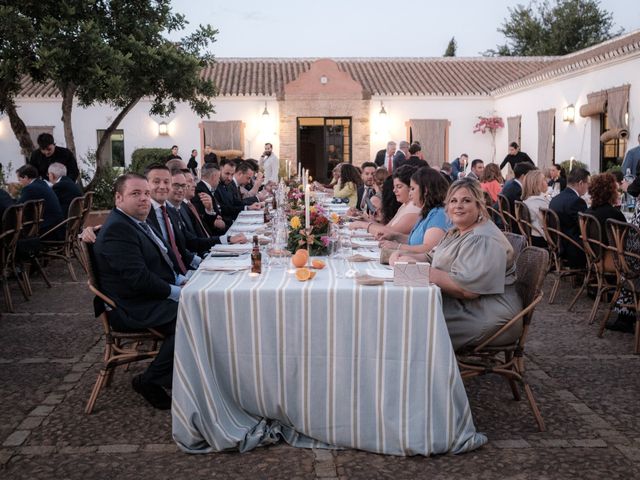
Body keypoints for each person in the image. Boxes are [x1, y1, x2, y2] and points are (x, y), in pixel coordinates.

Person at [400, 178, 522, 351]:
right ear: (447, 207)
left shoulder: (483, 238)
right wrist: (399, 256)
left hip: (487, 315)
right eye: (453, 201)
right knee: (407, 311)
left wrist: (420, 272)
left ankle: (423, 374)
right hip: (461, 305)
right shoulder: (457, 232)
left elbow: (467, 289)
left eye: (466, 200)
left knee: (414, 321)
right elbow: (431, 258)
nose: (458, 206)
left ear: (479, 206)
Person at [93, 173, 181, 409]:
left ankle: (190, 376)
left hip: (144, 298)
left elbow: (161, 262)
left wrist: (182, 280)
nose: (143, 199)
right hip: (130, 307)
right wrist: (177, 292)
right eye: (135, 194)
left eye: (145, 193)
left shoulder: (136, 221)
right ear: (118, 198)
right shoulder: (117, 230)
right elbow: (139, 280)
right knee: (192, 317)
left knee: (201, 308)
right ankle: (150, 381)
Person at [380, 167, 451, 263]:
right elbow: (415, 241)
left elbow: (428, 249)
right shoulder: (427, 213)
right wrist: (395, 236)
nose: (410, 193)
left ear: (425, 191)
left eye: (412, 189)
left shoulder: (439, 215)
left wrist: (398, 246)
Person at [166, 170, 245, 256]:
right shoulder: (179, 208)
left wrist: (209, 211)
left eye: (183, 185)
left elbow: (203, 227)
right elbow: (191, 243)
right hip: (203, 252)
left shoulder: (185, 206)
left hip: (208, 247)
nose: (195, 184)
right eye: (190, 181)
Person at [144, 164, 200, 275]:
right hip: (167, 283)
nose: (162, 186)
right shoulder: (143, 215)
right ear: (146, 185)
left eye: (166, 182)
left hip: (184, 273)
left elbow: (182, 247)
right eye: (156, 182)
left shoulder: (170, 211)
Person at [349, 165, 420, 236]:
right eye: (394, 187)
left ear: (411, 187)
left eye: (399, 187)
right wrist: (363, 218)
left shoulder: (414, 209)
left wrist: (362, 225)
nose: (394, 190)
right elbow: (386, 227)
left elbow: (388, 232)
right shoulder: (406, 205)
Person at [549, 167, 590, 268]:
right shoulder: (577, 202)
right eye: (587, 183)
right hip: (574, 249)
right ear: (580, 183)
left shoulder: (555, 199)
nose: (588, 186)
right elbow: (585, 228)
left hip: (557, 245)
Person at [16, 164, 64, 238]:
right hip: (58, 227)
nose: (19, 183)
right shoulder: (42, 183)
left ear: (25, 177)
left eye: (19, 180)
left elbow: (18, 207)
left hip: (48, 231)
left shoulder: (30, 188)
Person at [585, 173, 627, 242]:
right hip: (612, 251)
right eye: (616, 190)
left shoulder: (588, 212)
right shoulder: (615, 215)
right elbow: (625, 239)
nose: (618, 194)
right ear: (611, 192)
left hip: (592, 250)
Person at [193, 163, 230, 233]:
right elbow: (203, 216)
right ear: (214, 176)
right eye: (219, 177)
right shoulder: (200, 190)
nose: (219, 181)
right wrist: (215, 218)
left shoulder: (204, 188)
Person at [521, 170, 550, 248]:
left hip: (533, 236)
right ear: (537, 184)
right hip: (541, 240)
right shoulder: (539, 203)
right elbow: (548, 223)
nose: (547, 181)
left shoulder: (529, 200)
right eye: (544, 179)